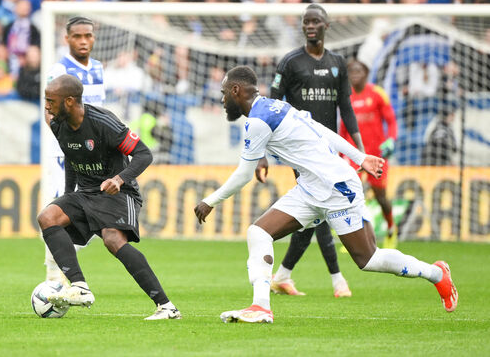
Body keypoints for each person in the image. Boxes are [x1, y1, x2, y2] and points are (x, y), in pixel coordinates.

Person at [194, 66, 457, 323]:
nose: (222, 98)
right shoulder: (277, 106)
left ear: (237, 90)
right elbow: (321, 129)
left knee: (368, 259)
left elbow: (243, 175)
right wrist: (360, 156)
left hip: (337, 188)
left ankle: (436, 274)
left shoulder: (259, 121)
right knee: (259, 232)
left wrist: (210, 201)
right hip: (310, 189)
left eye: (224, 92)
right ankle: (261, 307)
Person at [38, 74, 181, 320]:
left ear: (70, 101)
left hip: (118, 191)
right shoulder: (57, 123)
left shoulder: (103, 123)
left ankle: (166, 307)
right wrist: (68, 195)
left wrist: (119, 179)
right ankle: (80, 287)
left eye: (51, 101)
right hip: (85, 192)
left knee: (112, 239)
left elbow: (144, 154)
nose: (47, 107)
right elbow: (72, 157)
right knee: (48, 216)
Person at [258, 4, 364, 298]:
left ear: (327, 25)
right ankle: (338, 280)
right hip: (299, 149)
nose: (310, 26)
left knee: (313, 213)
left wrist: (360, 149)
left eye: (315, 21)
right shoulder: (290, 62)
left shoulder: (338, 63)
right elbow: (269, 108)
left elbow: (346, 107)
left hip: (329, 149)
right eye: (306, 22)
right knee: (324, 208)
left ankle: (283, 275)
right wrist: (263, 151)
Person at [43, 16, 106, 284]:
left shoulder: (99, 69)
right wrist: (69, 145)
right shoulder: (59, 70)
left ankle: (59, 270)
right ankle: (53, 277)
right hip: (67, 156)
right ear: (66, 39)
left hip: (96, 156)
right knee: (61, 213)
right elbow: (50, 114)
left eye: (88, 36)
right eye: (77, 36)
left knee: (93, 217)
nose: (83, 41)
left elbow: (98, 113)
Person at [340, 59, 398, 248]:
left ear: (366, 73)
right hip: (353, 155)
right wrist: (341, 154)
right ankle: (355, 240)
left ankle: (391, 228)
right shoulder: (346, 96)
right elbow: (343, 127)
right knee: (351, 196)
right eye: (351, 72)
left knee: (380, 196)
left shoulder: (377, 93)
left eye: (358, 71)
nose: (354, 74)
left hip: (375, 155)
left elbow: (391, 121)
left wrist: (391, 139)